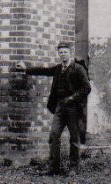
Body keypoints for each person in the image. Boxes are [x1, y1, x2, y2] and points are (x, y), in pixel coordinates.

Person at [15, 41, 91, 176]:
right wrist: (26, 69)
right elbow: (44, 71)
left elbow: (86, 88)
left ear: (70, 53)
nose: (63, 54)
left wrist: (72, 98)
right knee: (54, 135)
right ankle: (54, 168)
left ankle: (74, 167)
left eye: (65, 52)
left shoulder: (78, 69)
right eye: (60, 52)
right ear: (59, 54)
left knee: (74, 138)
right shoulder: (57, 69)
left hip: (73, 107)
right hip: (60, 107)